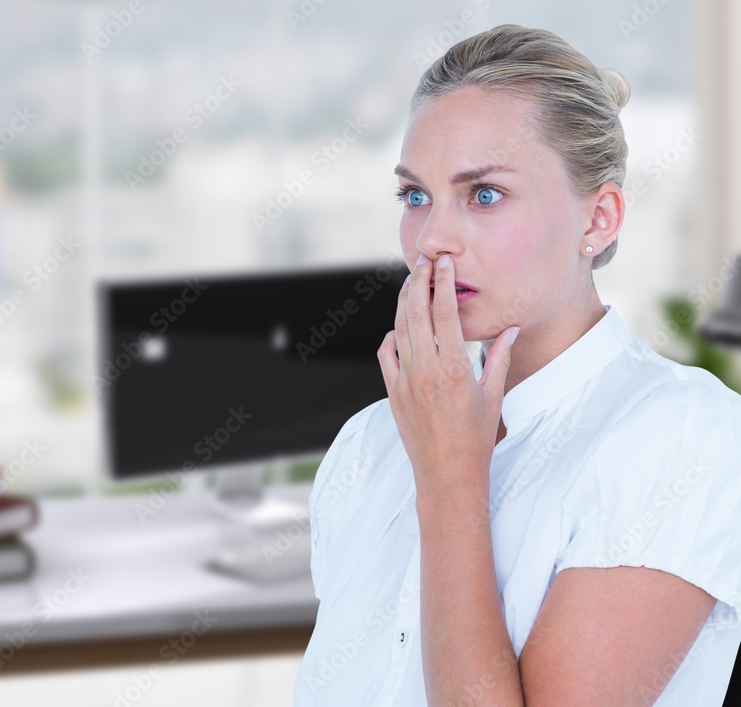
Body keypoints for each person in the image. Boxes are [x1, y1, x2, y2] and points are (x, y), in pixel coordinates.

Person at [293, 23, 741, 706]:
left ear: (600, 220)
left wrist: (449, 480)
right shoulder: (367, 444)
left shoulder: (687, 435)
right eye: (415, 196)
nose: (432, 239)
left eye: (483, 194)